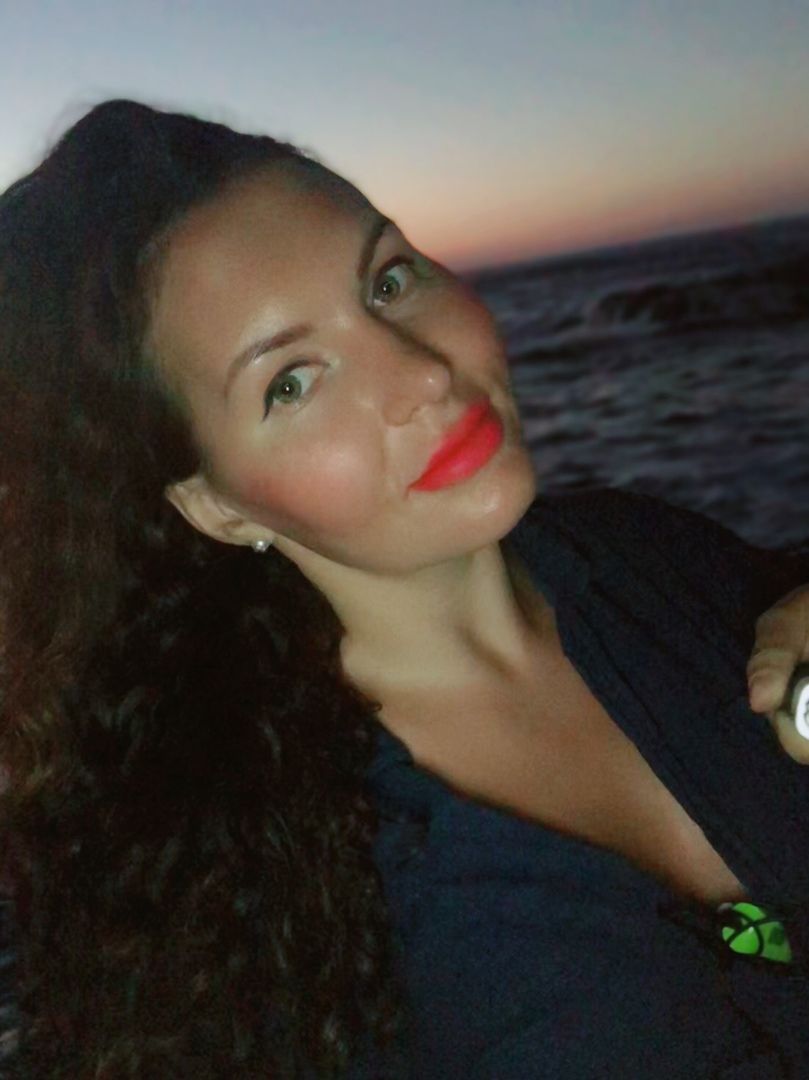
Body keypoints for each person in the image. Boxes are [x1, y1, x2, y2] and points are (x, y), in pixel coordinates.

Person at [0, 99, 807, 1079]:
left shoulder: (657, 559)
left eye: (386, 280)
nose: (420, 376)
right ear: (216, 505)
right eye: (291, 381)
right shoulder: (296, 918)